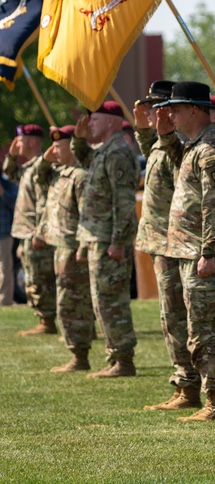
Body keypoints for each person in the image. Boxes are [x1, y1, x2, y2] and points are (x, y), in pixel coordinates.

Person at [154, 82, 215, 420]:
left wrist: (210, 250)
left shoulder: (212, 148)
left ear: (195, 110)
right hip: (188, 251)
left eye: (175, 109)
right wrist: (165, 136)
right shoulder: (196, 146)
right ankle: (206, 398)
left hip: (203, 254)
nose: (169, 113)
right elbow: (180, 171)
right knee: (197, 328)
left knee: (209, 329)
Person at [134, 81, 202, 411]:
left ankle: (189, 386)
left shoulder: (187, 144)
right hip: (160, 241)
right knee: (169, 316)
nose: (153, 112)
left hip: (174, 241)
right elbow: (155, 156)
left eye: (158, 107)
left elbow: (180, 173)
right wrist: (144, 131)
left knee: (178, 316)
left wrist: (163, 135)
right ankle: (182, 382)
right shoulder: (166, 142)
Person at [72, 103, 140, 377]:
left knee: (111, 300)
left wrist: (118, 242)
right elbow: (86, 160)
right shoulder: (105, 151)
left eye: (95, 118)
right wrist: (78, 140)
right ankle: (115, 357)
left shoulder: (118, 153)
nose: (90, 124)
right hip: (98, 237)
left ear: (112, 121)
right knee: (102, 300)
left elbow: (124, 203)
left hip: (109, 240)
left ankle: (123, 361)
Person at [37, 126, 93, 372]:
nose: (55, 151)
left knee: (73, 303)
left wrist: (82, 248)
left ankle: (80, 356)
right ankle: (76, 353)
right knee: (65, 301)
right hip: (59, 246)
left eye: (59, 147)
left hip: (72, 247)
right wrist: (45, 159)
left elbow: (87, 216)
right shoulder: (59, 173)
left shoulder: (80, 176)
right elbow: (38, 177)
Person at [6, 124, 57, 335]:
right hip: (25, 232)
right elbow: (10, 173)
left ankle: (48, 321)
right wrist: (11, 154)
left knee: (40, 279)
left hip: (36, 232)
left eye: (22, 139)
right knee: (33, 278)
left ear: (34, 141)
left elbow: (44, 203)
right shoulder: (28, 168)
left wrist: (39, 232)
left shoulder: (41, 168)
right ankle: (44, 319)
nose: (18, 143)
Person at [0, 168, 15, 307]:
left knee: (4, 268)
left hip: (4, 233)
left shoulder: (7, 184)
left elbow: (16, 206)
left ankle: (5, 301)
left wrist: (2, 193)